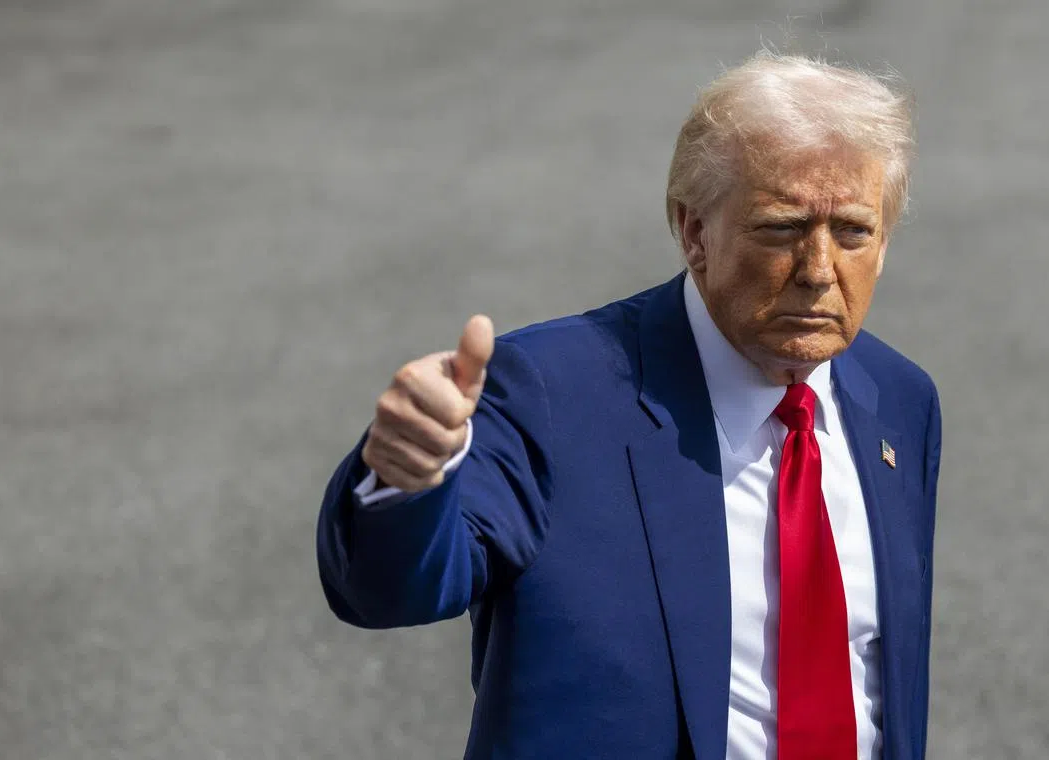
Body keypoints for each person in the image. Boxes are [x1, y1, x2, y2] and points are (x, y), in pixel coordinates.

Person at [317, 51, 941, 760]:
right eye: (781, 228)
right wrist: (406, 478)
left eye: (853, 231)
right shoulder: (553, 392)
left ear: (884, 243)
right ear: (694, 231)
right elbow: (388, 591)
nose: (819, 271)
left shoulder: (898, 400)